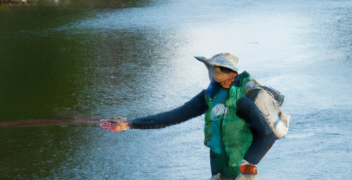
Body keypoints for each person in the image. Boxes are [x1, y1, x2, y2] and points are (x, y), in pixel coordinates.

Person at [100, 53, 277, 180]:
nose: (218, 79)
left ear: (233, 76)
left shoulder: (244, 102)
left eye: (222, 75)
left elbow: (268, 136)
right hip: (219, 173)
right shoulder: (208, 98)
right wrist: (130, 124)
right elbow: (174, 116)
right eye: (215, 74)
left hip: (242, 175)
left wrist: (247, 164)